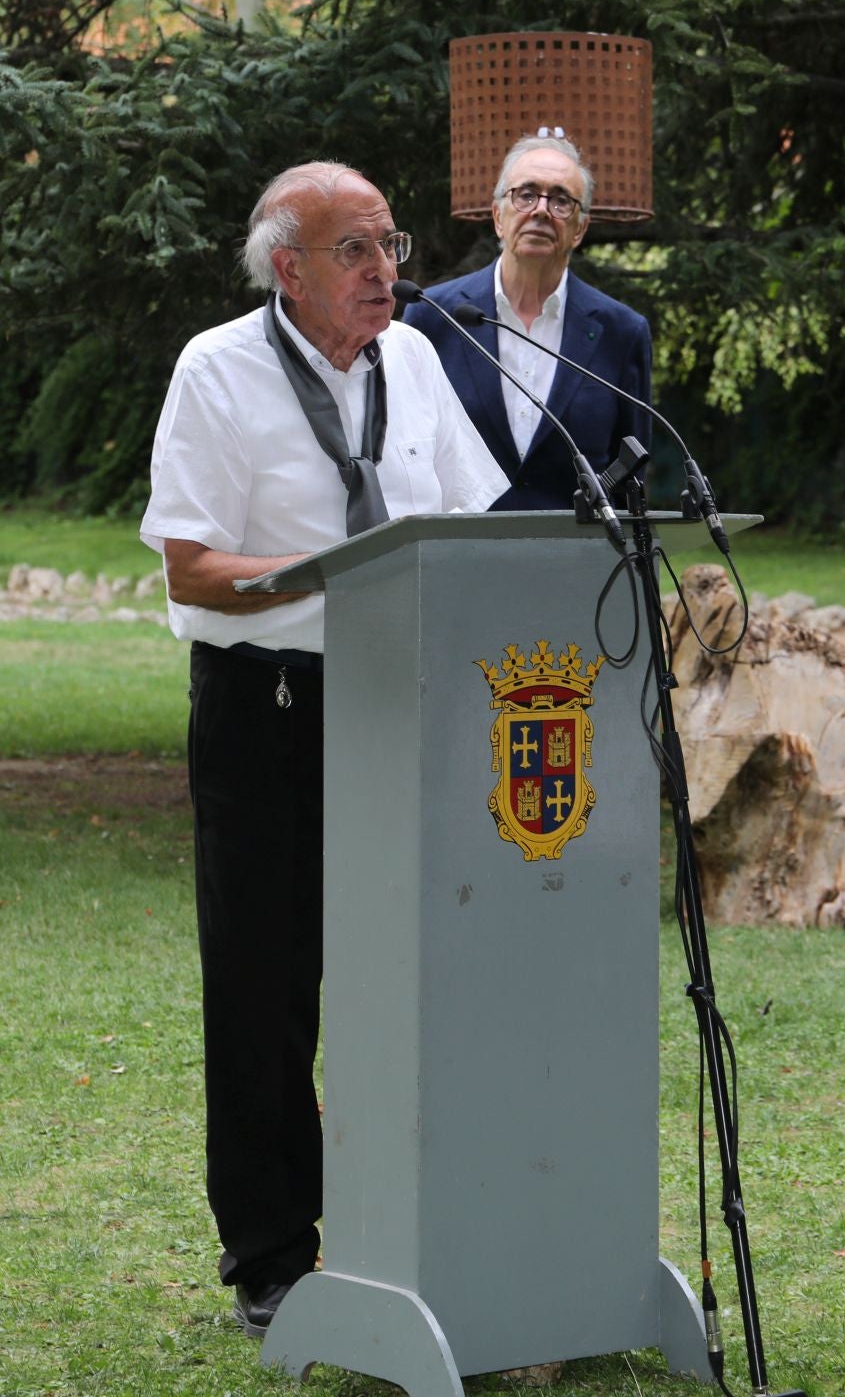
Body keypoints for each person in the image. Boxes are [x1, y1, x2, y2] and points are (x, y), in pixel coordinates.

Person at [138, 162, 508, 1338]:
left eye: (389, 244)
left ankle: (414, 1231)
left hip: (403, 706)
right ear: (285, 267)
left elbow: (471, 527)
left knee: (411, 978)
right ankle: (272, 1258)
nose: (383, 270)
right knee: (264, 988)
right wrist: (328, 579)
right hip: (269, 712)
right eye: (354, 249)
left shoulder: (416, 363)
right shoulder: (218, 369)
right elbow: (191, 567)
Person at [403, 135, 654, 510]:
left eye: (561, 200)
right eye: (526, 194)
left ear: (580, 230)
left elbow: (631, 474)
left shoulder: (622, 332)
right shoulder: (433, 315)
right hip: (460, 555)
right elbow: (408, 455)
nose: (540, 210)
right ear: (497, 217)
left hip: (580, 558)